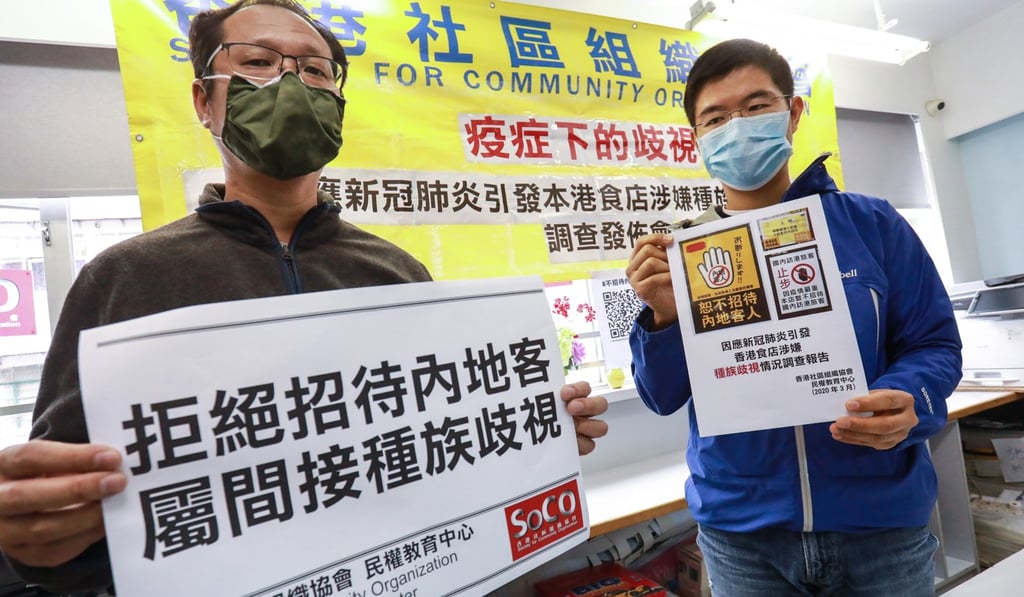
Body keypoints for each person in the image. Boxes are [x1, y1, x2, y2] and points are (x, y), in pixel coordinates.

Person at [0, 1, 608, 593]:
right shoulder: (124, 279)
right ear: (204, 101)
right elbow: (64, 529)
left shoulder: (397, 274)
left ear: (337, 107)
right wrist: (41, 539)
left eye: (315, 70)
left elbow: (434, 452)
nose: (290, 84)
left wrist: (530, 438)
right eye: (258, 62)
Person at [626, 38, 961, 596]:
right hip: (743, 538)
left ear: (793, 112)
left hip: (879, 525)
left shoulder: (871, 224)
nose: (737, 127)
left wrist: (911, 398)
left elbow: (935, 345)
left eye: (756, 106)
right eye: (716, 118)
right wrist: (664, 318)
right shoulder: (689, 255)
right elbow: (662, 396)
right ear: (697, 139)